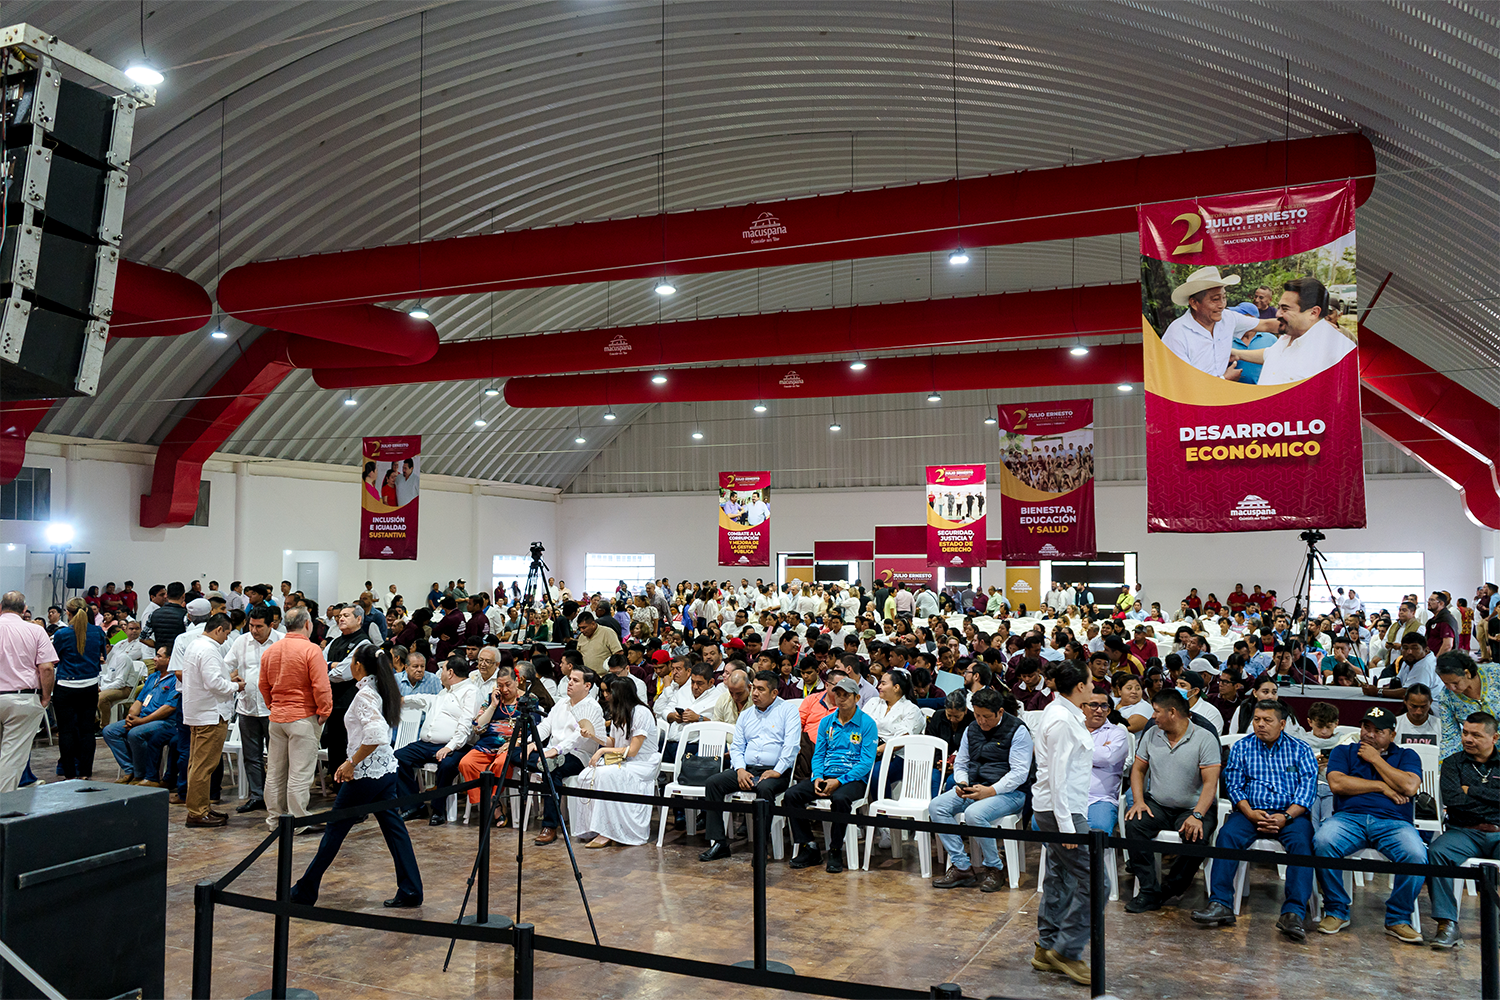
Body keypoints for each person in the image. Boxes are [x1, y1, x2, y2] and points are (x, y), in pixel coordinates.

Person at [289, 646, 423, 908]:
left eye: (351, 661)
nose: (348, 665)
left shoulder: (366, 695)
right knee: (394, 829)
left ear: (359, 666)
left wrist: (351, 763)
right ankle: (411, 889)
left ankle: (305, 890)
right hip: (384, 770)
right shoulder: (382, 689)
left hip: (367, 773)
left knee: (335, 829)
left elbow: (375, 735)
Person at [1192, 700, 1318, 940]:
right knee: (1226, 836)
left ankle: (1293, 913)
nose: (1260, 725)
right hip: (1250, 812)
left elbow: (1307, 791)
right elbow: (1234, 785)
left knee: (1302, 844)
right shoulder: (1242, 748)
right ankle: (1220, 904)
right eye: (1257, 720)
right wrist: (1248, 812)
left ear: (1282, 724)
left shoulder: (1301, 749)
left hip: (1290, 815)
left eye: (1267, 720)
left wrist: (1286, 816)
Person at [1312, 706, 1425, 942]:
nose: (1369, 735)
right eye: (1366, 728)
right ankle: (1336, 909)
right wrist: (1382, 786)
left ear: (1392, 735)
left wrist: (1375, 760)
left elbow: (1409, 787)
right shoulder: (1344, 752)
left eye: (1378, 731)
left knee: (1416, 854)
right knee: (1323, 841)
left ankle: (1398, 918)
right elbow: (1338, 784)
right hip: (1349, 818)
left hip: (1393, 822)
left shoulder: (1407, 755)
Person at [1124, 689, 1222, 912]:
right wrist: (1139, 801)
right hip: (1158, 804)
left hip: (1193, 807)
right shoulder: (1152, 734)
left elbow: (1210, 783)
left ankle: (1171, 888)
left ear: (1173, 712)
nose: (1152, 716)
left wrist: (1197, 815)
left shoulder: (1204, 738)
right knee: (1134, 825)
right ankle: (1148, 891)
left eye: (1156, 711)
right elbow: (1138, 770)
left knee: (1197, 838)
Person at [1029, 661, 1095, 986]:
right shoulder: (1062, 721)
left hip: (1062, 811)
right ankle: (1067, 951)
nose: (1095, 685)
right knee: (1097, 882)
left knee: (1062, 877)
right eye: (1091, 682)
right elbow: (1057, 778)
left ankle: (1046, 947)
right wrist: (1067, 826)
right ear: (1080, 686)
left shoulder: (1064, 714)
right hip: (1061, 814)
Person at [699, 671, 800, 861]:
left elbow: (792, 745)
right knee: (713, 783)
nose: (754, 693)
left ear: (774, 693)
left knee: (765, 789)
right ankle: (719, 842)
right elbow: (737, 746)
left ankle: (761, 848)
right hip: (748, 769)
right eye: (753, 688)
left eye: (761, 689)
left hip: (776, 772)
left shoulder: (788, 711)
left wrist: (777, 771)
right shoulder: (746, 715)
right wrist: (740, 770)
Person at [784, 677, 878, 873]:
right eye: (838, 694)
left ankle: (835, 848)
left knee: (841, 799)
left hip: (852, 778)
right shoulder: (827, 721)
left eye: (846, 695)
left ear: (857, 697)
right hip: (826, 775)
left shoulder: (867, 724)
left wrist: (839, 781)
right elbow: (818, 754)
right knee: (792, 795)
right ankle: (809, 846)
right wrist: (817, 777)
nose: (841, 699)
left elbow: (866, 762)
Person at [1425, 712, 1500, 949]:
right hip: (1464, 830)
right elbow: (1454, 800)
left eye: (1476, 735)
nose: (1467, 739)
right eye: (1465, 732)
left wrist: (1473, 791)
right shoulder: (1452, 763)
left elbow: (1466, 796)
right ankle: (1447, 924)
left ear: (1494, 737)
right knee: (1437, 851)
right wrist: (1491, 801)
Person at [259, 608, 333, 833]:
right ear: (308, 625)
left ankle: (274, 820)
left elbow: (263, 684)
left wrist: (273, 705)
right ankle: (298, 822)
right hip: (303, 716)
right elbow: (321, 685)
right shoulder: (311, 649)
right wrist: (325, 710)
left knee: (274, 772)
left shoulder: (271, 650)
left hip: (277, 718)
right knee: (300, 773)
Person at [570, 675, 662, 848]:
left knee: (605, 775)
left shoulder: (641, 712)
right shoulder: (618, 712)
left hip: (642, 763)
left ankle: (607, 831)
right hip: (623, 760)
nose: (605, 695)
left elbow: (633, 750)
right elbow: (614, 742)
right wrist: (594, 736)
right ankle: (594, 827)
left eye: (609, 691)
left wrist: (603, 751)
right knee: (586, 775)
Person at [396, 655, 481, 827]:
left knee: (447, 765)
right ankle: (413, 805)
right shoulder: (444, 692)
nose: (438, 673)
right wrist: (404, 699)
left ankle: (438, 809)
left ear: (450, 672)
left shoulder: (471, 691)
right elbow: (426, 699)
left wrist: (449, 747)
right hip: (427, 744)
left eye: (442, 669)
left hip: (457, 745)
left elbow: (466, 725)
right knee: (398, 757)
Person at [528, 665, 607, 845]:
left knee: (552, 771)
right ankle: (541, 761)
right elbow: (546, 725)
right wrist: (531, 742)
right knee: (518, 754)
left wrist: (556, 751)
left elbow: (577, 737)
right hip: (551, 751)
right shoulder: (562, 703)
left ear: (587, 686)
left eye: (575, 680)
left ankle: (549, 826)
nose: (569, 683)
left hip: (577, 756)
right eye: (570, 679)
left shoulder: (592, 707)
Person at [178, 614, 243, 828]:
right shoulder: (208, 649)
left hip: (200, 712)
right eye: (226, 633)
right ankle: (197, 812)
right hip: (211, 714)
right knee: (204, 766)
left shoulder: (195, 645)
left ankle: (201, 807)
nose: (226, 638)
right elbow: (214, 683)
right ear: (218, 630)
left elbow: (207, 678)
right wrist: (236, 686)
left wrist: (227, 678)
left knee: (197, 764)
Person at [1229, 277, 1355, 385]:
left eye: (1285, 309)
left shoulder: (1339, 352)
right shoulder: (1290, 334)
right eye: (1279, 307)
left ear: (1313, 313)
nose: (1278, 313)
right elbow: (1271, 354)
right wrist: (1238, 354)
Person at [102, 641, 180, 786]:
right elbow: (139, 700)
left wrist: (142, 722)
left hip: (165, 721)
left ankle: (141, 774)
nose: (154, 659)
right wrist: (131, 716)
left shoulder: (176, 679)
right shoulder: (153, 677)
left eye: (159, 656)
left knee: (135, 733)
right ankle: (129, 769)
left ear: (169, 659)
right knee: (109, 731)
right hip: (142, 718)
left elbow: (169, 708)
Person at [51, 598, 105, 780]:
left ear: (68, 612)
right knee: (87, 730)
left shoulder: (62, 634)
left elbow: (54, 658)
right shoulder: (97, 632)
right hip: (89, 685)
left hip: (66, 685)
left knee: (66, 731)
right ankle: (85, 772)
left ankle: (69, 773)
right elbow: (102, 656)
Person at [1435, 651, 1500, 757]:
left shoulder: (1495, 674)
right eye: (1446, 683)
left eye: (1455, 683)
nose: (1451, 688)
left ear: (1467, 673)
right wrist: (1447, 768)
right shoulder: (1446, 697)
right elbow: (1450, 738)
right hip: (1479, 755)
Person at [1082, 690, 1129, 835]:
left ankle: (1082, 858)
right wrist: (1098, 750)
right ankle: (1069, 857)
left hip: (1100, 798)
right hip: (1068, 795)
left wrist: (1074, 751)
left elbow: (1108, 757)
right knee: (1040, 824)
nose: (1099, 710)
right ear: (1082, 707)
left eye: (1104, 706)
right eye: (1094, 705)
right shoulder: (1072, 729)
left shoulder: (1117, 733)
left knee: (1098, 829)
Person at [97, 620, 149, 729]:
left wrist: (102, 688)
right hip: (111, 684)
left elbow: (120, 682)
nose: (134, 631)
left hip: (124, 688)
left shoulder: (126, 654)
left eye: (136, 629)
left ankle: (104, 727)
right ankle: (94, 723)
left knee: (101, 697)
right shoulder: (118, 645)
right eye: (131, 629)